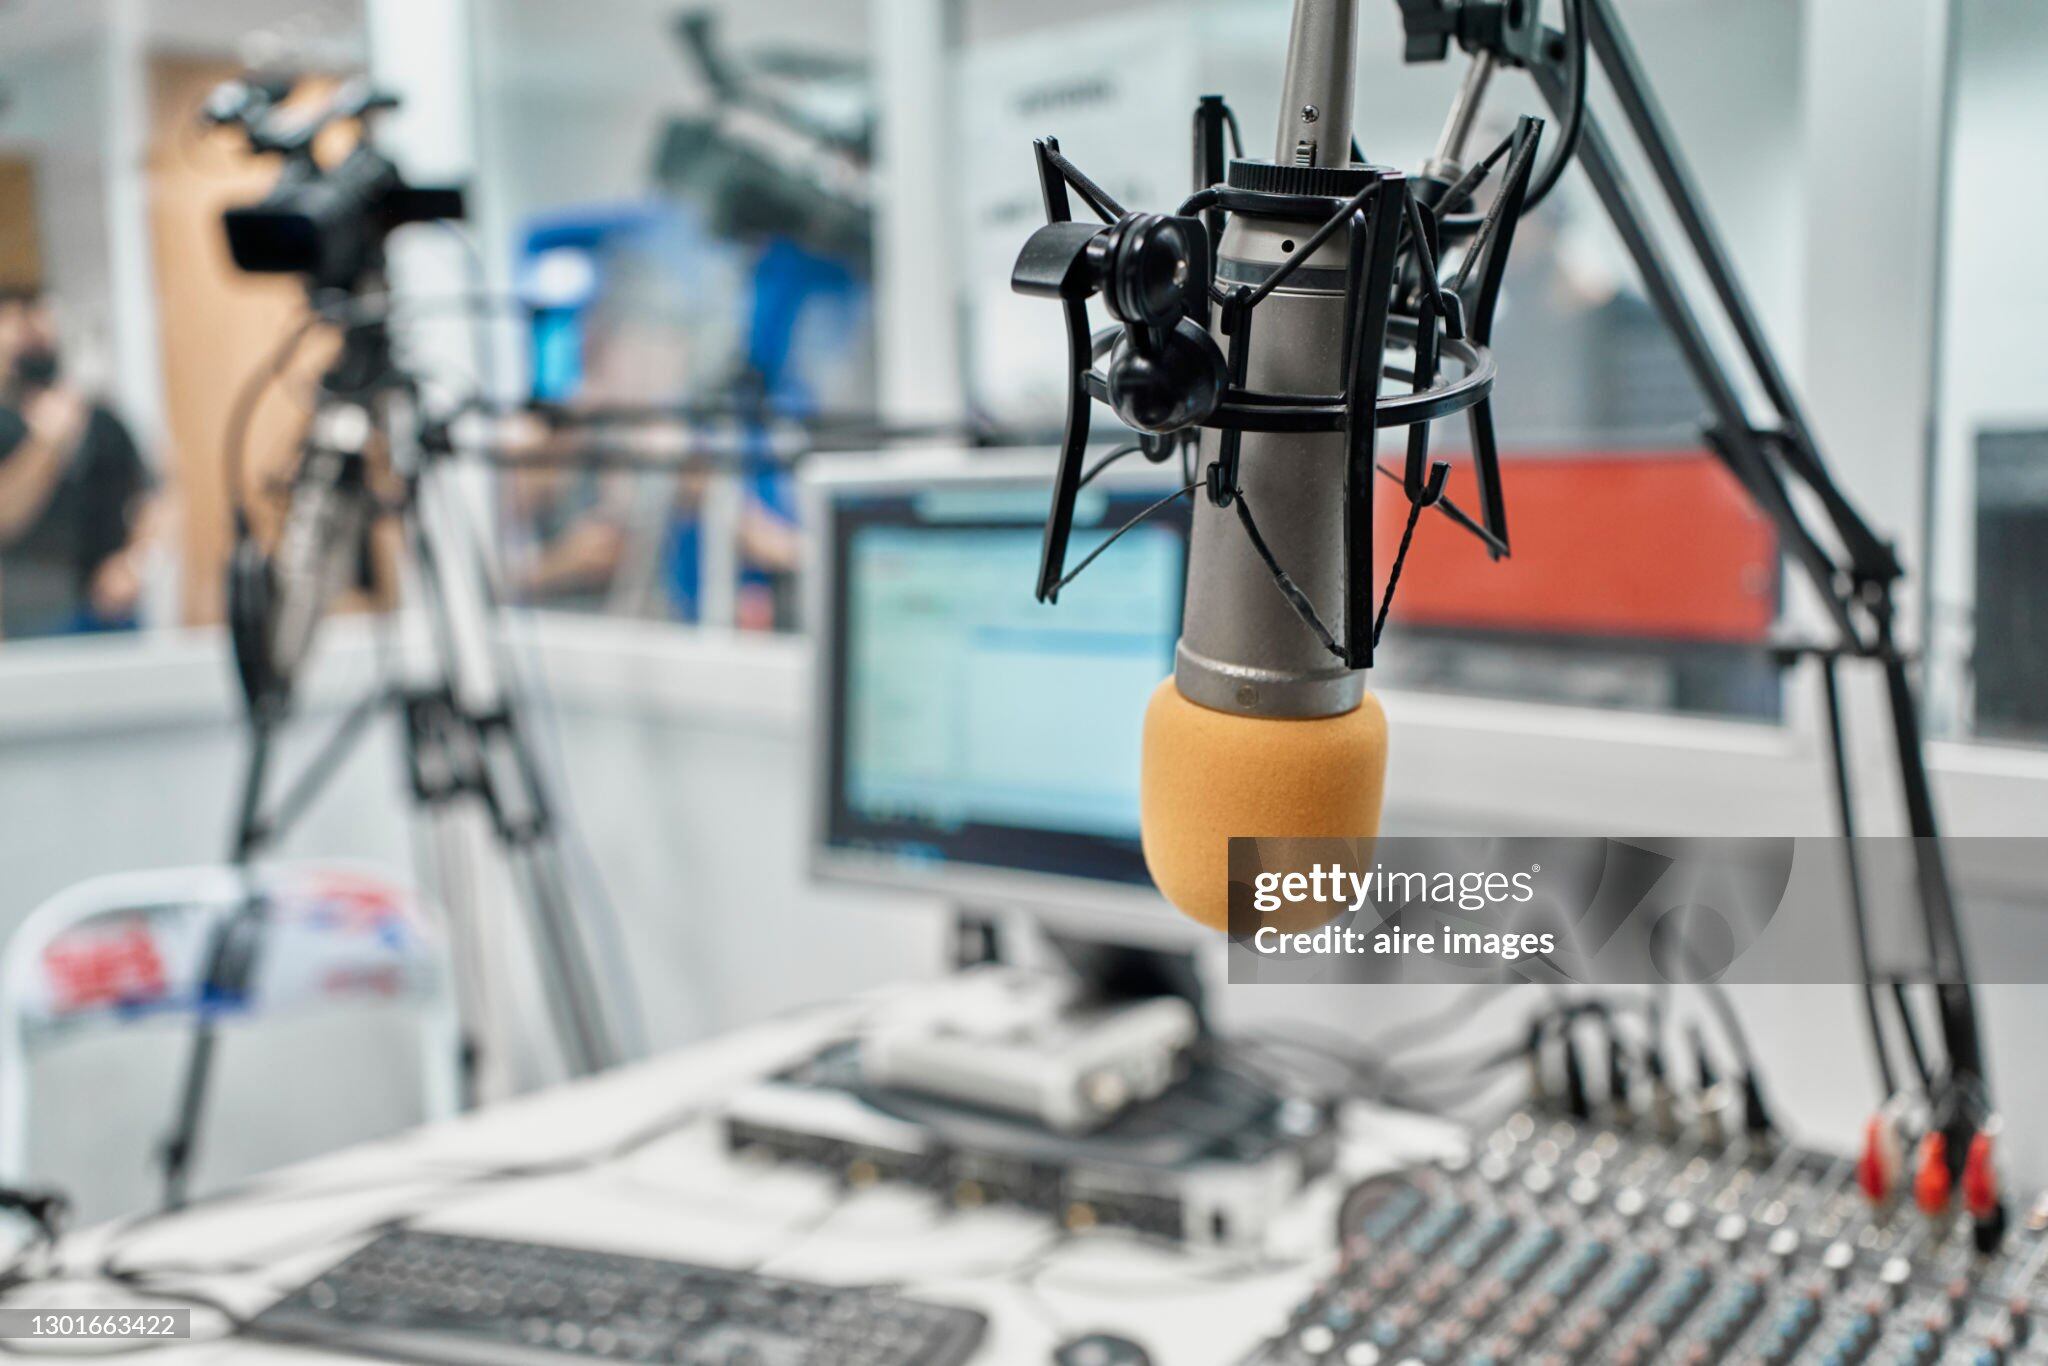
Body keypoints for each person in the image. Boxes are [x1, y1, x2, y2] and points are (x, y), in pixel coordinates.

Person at [0, 290, 157, 640]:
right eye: (16, 322)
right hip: (32, 620)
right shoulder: (5, 425)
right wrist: (45, 444)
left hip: (112, 613)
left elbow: (153, 495)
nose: (33, 330)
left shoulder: (100, 419)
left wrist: (133, 563)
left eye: (39, 316)